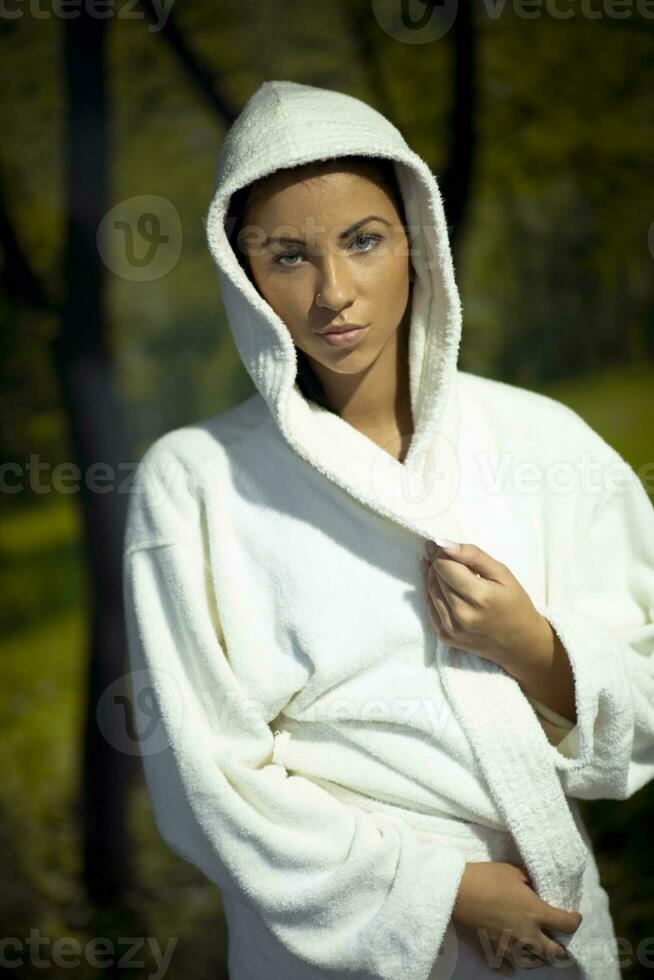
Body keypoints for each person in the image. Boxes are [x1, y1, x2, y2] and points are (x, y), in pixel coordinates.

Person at [122, 80, 654, 980]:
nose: (334, 292)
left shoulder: (543, 439)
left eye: (363, 241)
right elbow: (204, 779)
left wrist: (534, 647)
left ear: (419, 241)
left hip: (551, 920)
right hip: (337, 944)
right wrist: (444, 888)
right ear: (243, 274)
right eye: (288, 256)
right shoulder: (194, 481)